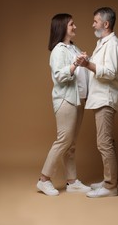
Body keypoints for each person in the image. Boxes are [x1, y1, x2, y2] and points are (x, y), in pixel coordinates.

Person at [36, 13, 91, 196]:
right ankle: (44, 180)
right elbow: (59, 76)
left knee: (71, 144)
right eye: (71, 25)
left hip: (78, 99)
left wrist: (83, 60)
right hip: (66, 99)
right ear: (62, 28)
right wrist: (75, 65)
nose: (75, 27)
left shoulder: (74, 48)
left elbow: (83, 71)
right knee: (64, 140)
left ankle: (72, 181)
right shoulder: (59, 50)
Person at [76, 7, 118, 198]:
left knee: (104, 143)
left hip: (106, 98)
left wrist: (87, 64)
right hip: (101, 98)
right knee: (106, 142)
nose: (92, 24)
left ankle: (111, 187)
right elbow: (101, 69)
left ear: (106, 24)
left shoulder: (112, 44)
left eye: (95, 21)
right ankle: (109, 181)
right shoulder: (103, 43)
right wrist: (87, 61)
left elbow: (110, 72)